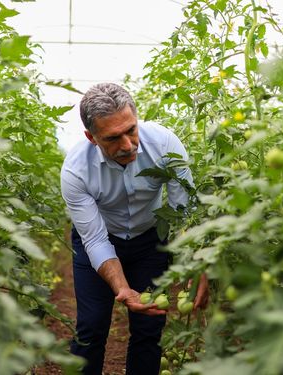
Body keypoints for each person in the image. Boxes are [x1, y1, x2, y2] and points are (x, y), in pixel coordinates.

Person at [60, 83, 209, 375]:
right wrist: (122, 289)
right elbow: (95, 239)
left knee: (149, 329)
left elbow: (184, 213)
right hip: (99, 241)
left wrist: (197, 262)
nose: (127, 145)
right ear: (92, 137)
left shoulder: (165, 144)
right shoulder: (76, 170)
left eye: (131, 130)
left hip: (148, 240)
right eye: (113, 138)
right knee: (90, 328)